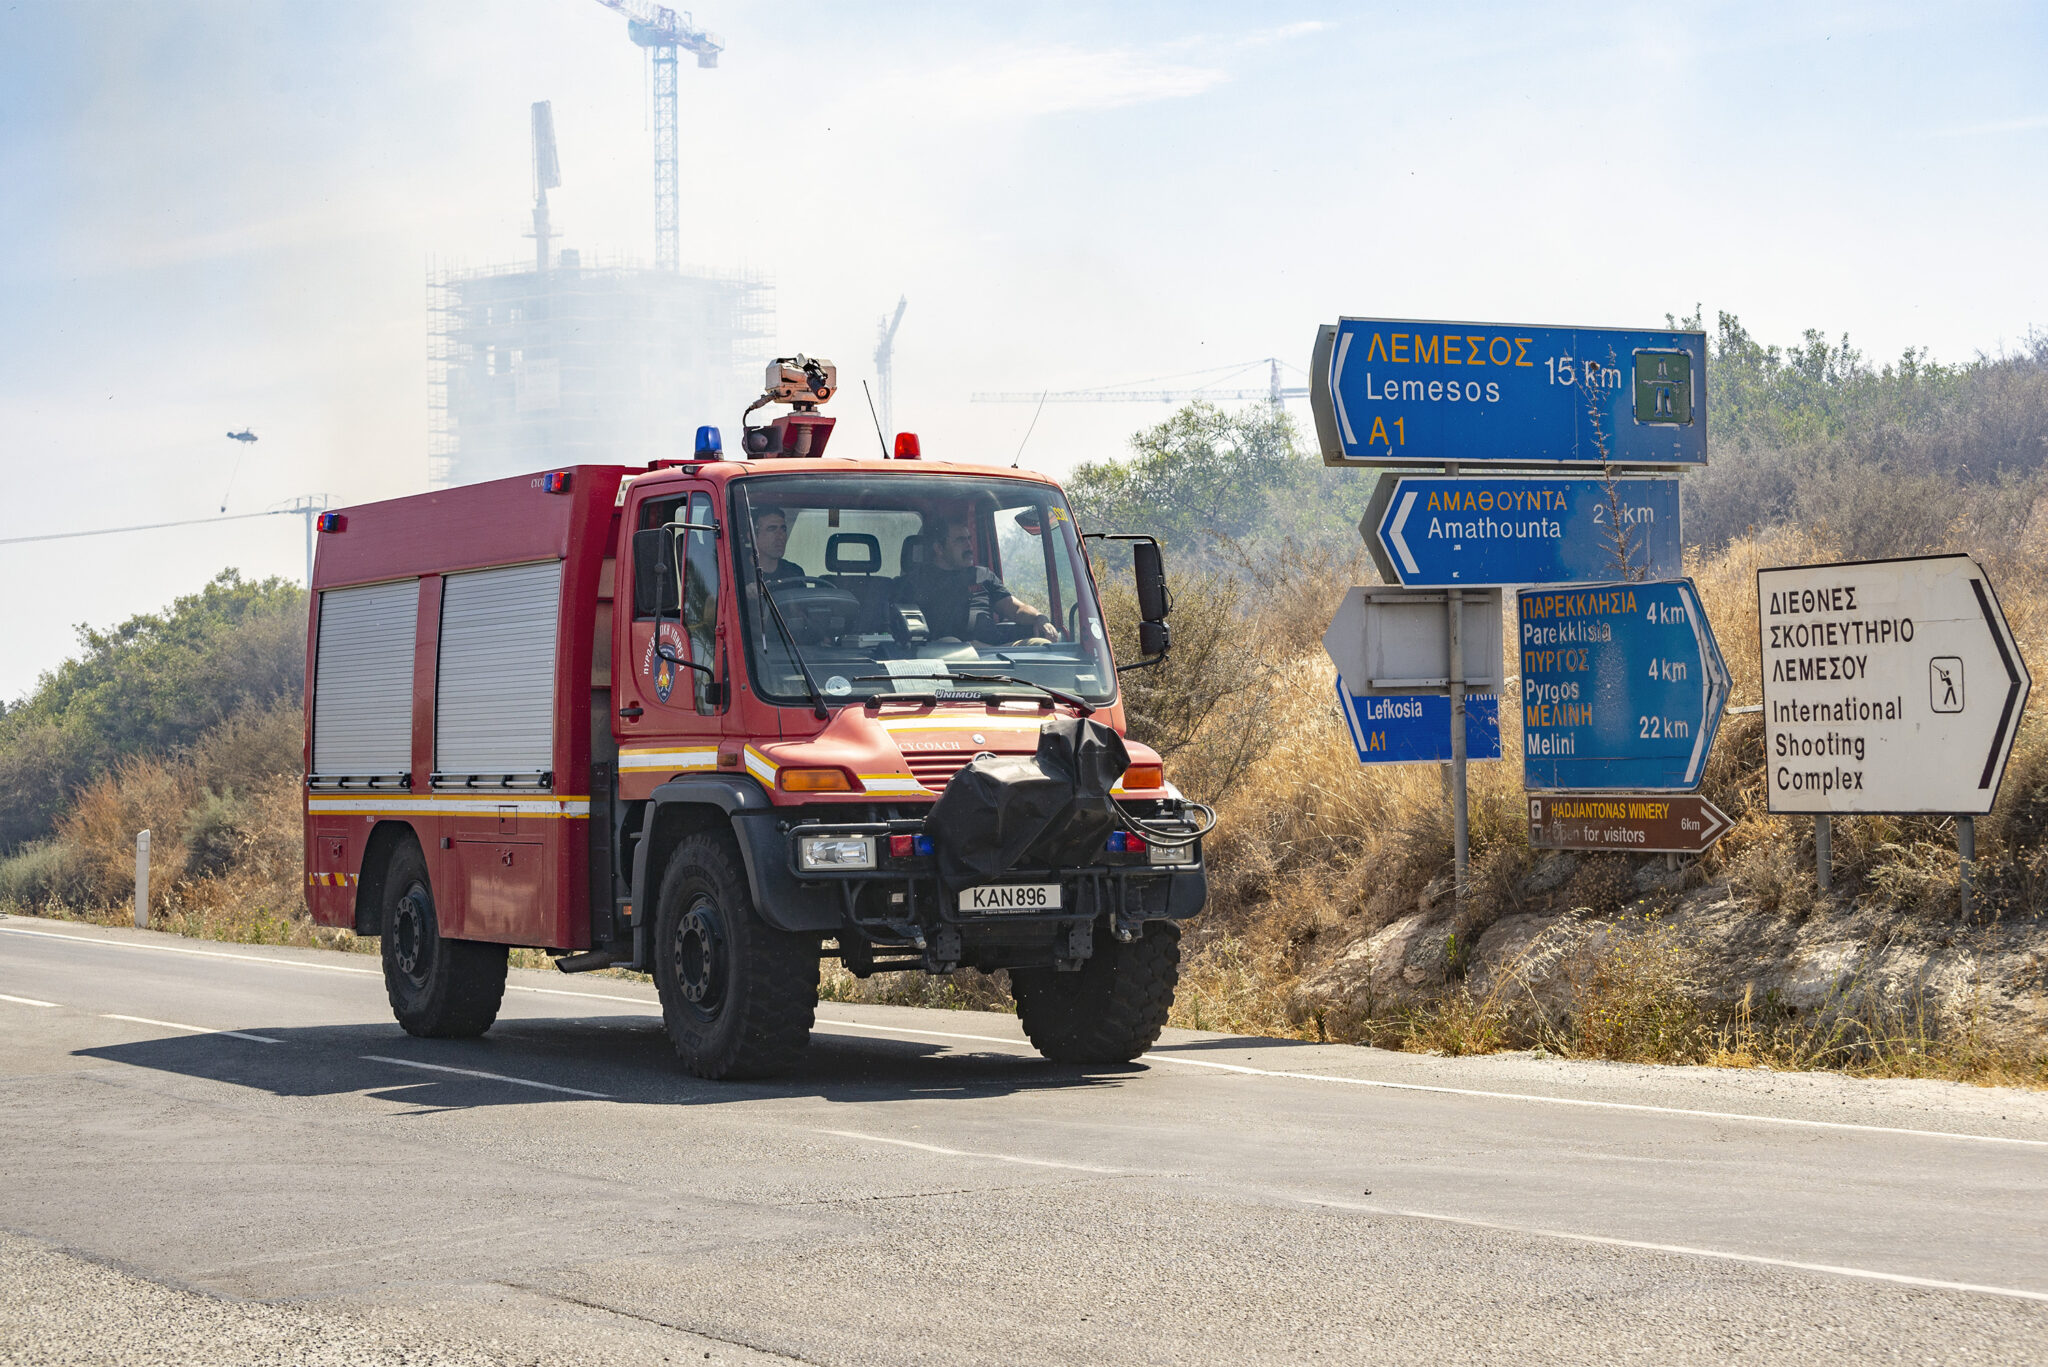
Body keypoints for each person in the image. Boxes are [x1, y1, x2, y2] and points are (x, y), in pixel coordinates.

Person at [905, 514, 1059, 642]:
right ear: (938, 548)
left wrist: (1039, 618)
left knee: (1039, 644)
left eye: (969, 539)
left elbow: (1016, 608)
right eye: (960, 540)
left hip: (994, 657)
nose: (969, 546)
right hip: (947, 659)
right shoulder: (916, 582)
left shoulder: (983, 575)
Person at [750, 506, 806, 582]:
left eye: (783, 529)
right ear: (753, 537)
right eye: (772, 529)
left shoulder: (795, 572)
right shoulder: (738, 573)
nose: (780, 536)